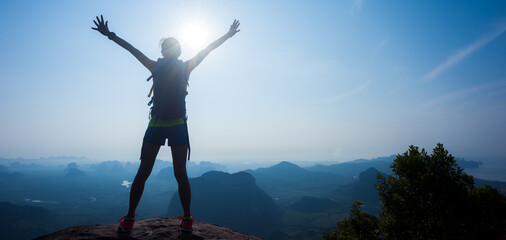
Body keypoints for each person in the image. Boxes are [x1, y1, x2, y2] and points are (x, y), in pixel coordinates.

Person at [92, 15, 240, 233]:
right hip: (178, 124)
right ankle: (187, 220)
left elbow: (132, 50)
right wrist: (227, 36)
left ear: (162, 52)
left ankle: (130, 220)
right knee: (181, 173)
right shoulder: (186, 67)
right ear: (179, 52)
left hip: (157, 124)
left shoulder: (155, 67)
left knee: (143, 172)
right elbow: (208, 48)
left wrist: (110, 35)